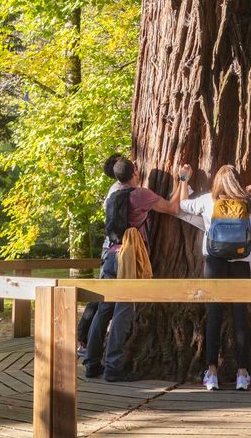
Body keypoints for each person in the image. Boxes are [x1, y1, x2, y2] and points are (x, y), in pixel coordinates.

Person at [84, 158, 190, 382]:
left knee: (104, 311)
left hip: (111, 255)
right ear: (134, 171)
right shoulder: (140, 194)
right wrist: (182, 180)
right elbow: (172, 207)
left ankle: (92, 363)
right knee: (123, 312)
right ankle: (113, 368)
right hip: (128, 259)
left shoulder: (112, 196)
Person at [179, 165, 251, 391]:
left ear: (218, 181)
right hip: (240, 264)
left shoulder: (207, 201)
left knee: (214, 316)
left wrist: (183, 179)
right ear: (237, 181)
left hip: (214, 263)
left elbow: (182, 205)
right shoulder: (247, 203)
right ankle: (242, 373)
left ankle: (211, 373)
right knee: (240, 316)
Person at [77, 153, 123, 359]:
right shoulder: (118, 190)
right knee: (101, 299)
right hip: (113, 248)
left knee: (100, 297)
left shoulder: (115, 189)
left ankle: (84, 340)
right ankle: (84, 342)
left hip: (110, 247)